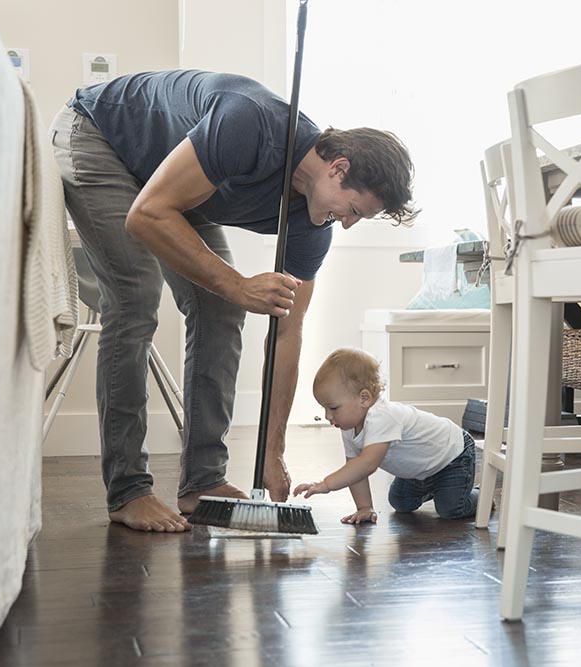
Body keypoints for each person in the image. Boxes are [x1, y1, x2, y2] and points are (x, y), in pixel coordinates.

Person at [50, 70, 416, 532]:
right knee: (134, 295)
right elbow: (147, 214)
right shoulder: (251, 124)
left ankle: (202, 481)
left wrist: (272, 451)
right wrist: (240, 286)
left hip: (171, 183)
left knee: (221, 307)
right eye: (355, 211)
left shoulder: (312, 224)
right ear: (338, 169)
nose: (346, 225)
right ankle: (128, 490)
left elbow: (287, 332)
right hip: (101, 136)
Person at [293, 348, 479, 523]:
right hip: (421, 470)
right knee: (401, 502)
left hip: (453, 455)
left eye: (333, 408)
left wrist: (325, 484)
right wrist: (365, 507)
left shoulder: (382, 416)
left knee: (450, 509)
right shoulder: (349, 427)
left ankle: (480, 497)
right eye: (324, 408)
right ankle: (439, 487)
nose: (327, 416)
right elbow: (354, 469)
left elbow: (367, 464)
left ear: (364, 398)